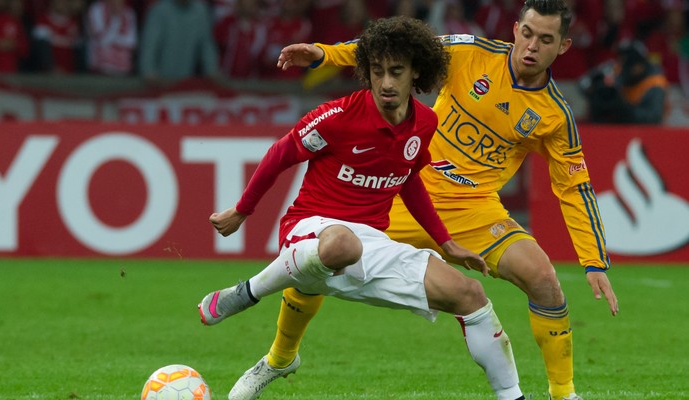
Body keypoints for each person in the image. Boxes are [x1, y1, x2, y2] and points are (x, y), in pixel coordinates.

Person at [244, 1, 620, 400]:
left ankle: (563, 393)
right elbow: (396, 49)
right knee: (318, 259)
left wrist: (593, 259)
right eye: (527, 33)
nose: (531, 46)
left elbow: (574, 187)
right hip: (405, 190)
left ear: (563, 47)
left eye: (545, 40)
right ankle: (280, 358)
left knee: (544, 281)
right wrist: (324, 53)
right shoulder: (469, 53)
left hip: (474, 210)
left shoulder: (555, 115)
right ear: (514, 29)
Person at [199, 16, 526, 400]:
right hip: (312, 229)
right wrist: (242, 210)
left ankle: (514, 396)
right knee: (342, 244)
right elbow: (280, 154)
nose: (386, 82)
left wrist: (446, 242)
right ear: (365, 72)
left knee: (470, 294)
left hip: (372, 244)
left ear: (415, 72)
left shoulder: (425, 123)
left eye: (396, 72)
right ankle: (247, 293)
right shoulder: (338, 116)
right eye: (377, 72)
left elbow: (410, 181)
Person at [579, 39, 668, 124]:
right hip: (611, 128)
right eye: (621, 60)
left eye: (627, 62)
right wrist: (597, 86)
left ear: (640, 65)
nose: (622, 66)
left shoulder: (655, 82)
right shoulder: (615, 69)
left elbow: (653, 118)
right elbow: (583, 84)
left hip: (643, 132)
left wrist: (622, 107)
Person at [138, 0, 219, 85]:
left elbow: (206, 45)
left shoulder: (200, 11)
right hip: (158, 80)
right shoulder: (159, 10)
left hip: (186, 80)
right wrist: (149, 71)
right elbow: (149, 45)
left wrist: (211, 69)